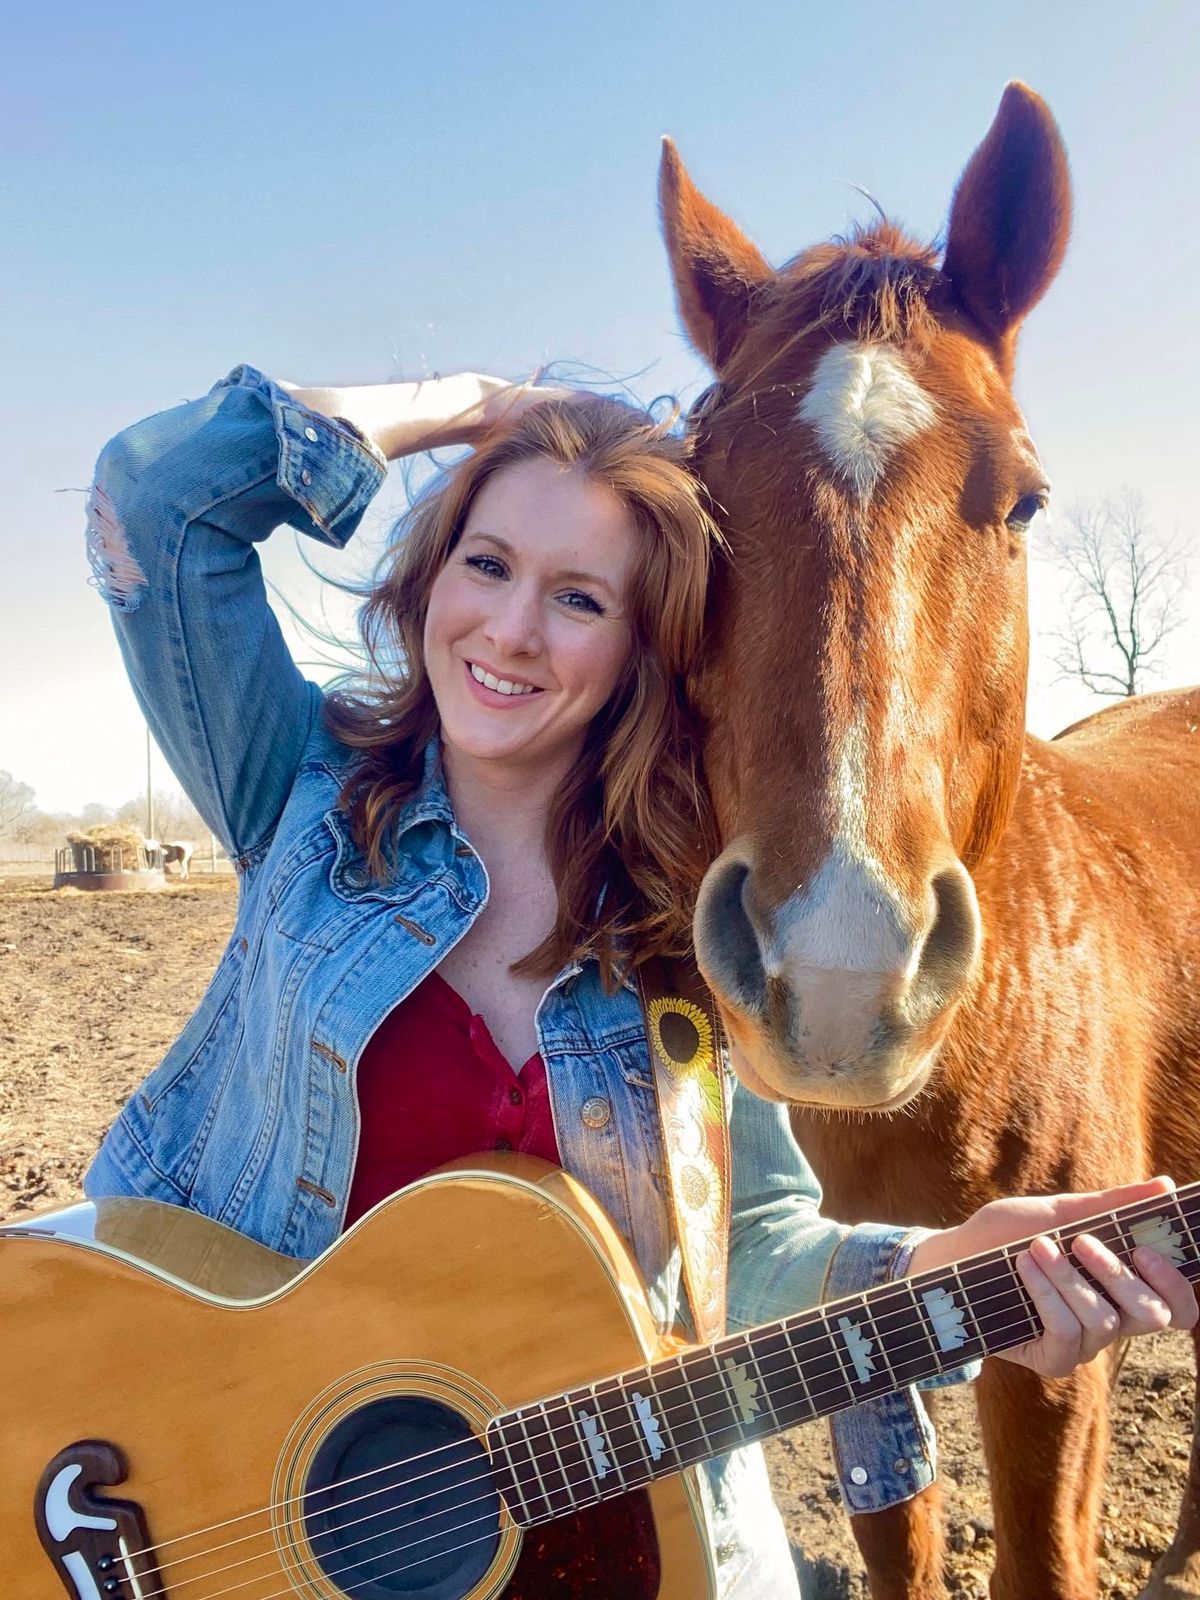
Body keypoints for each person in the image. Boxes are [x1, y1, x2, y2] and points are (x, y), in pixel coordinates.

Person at [83, 364, 1196, 1598]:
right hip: (233, 1509)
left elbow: (743, 1253)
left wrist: (929, 1273)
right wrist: (463, 407)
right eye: (487, 562)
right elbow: (154, 497)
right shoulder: (297, 795)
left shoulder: (683, 931)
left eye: (578, 597)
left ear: (640, 644)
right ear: (431, 576)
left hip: (601, 1550)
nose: (510, 632)